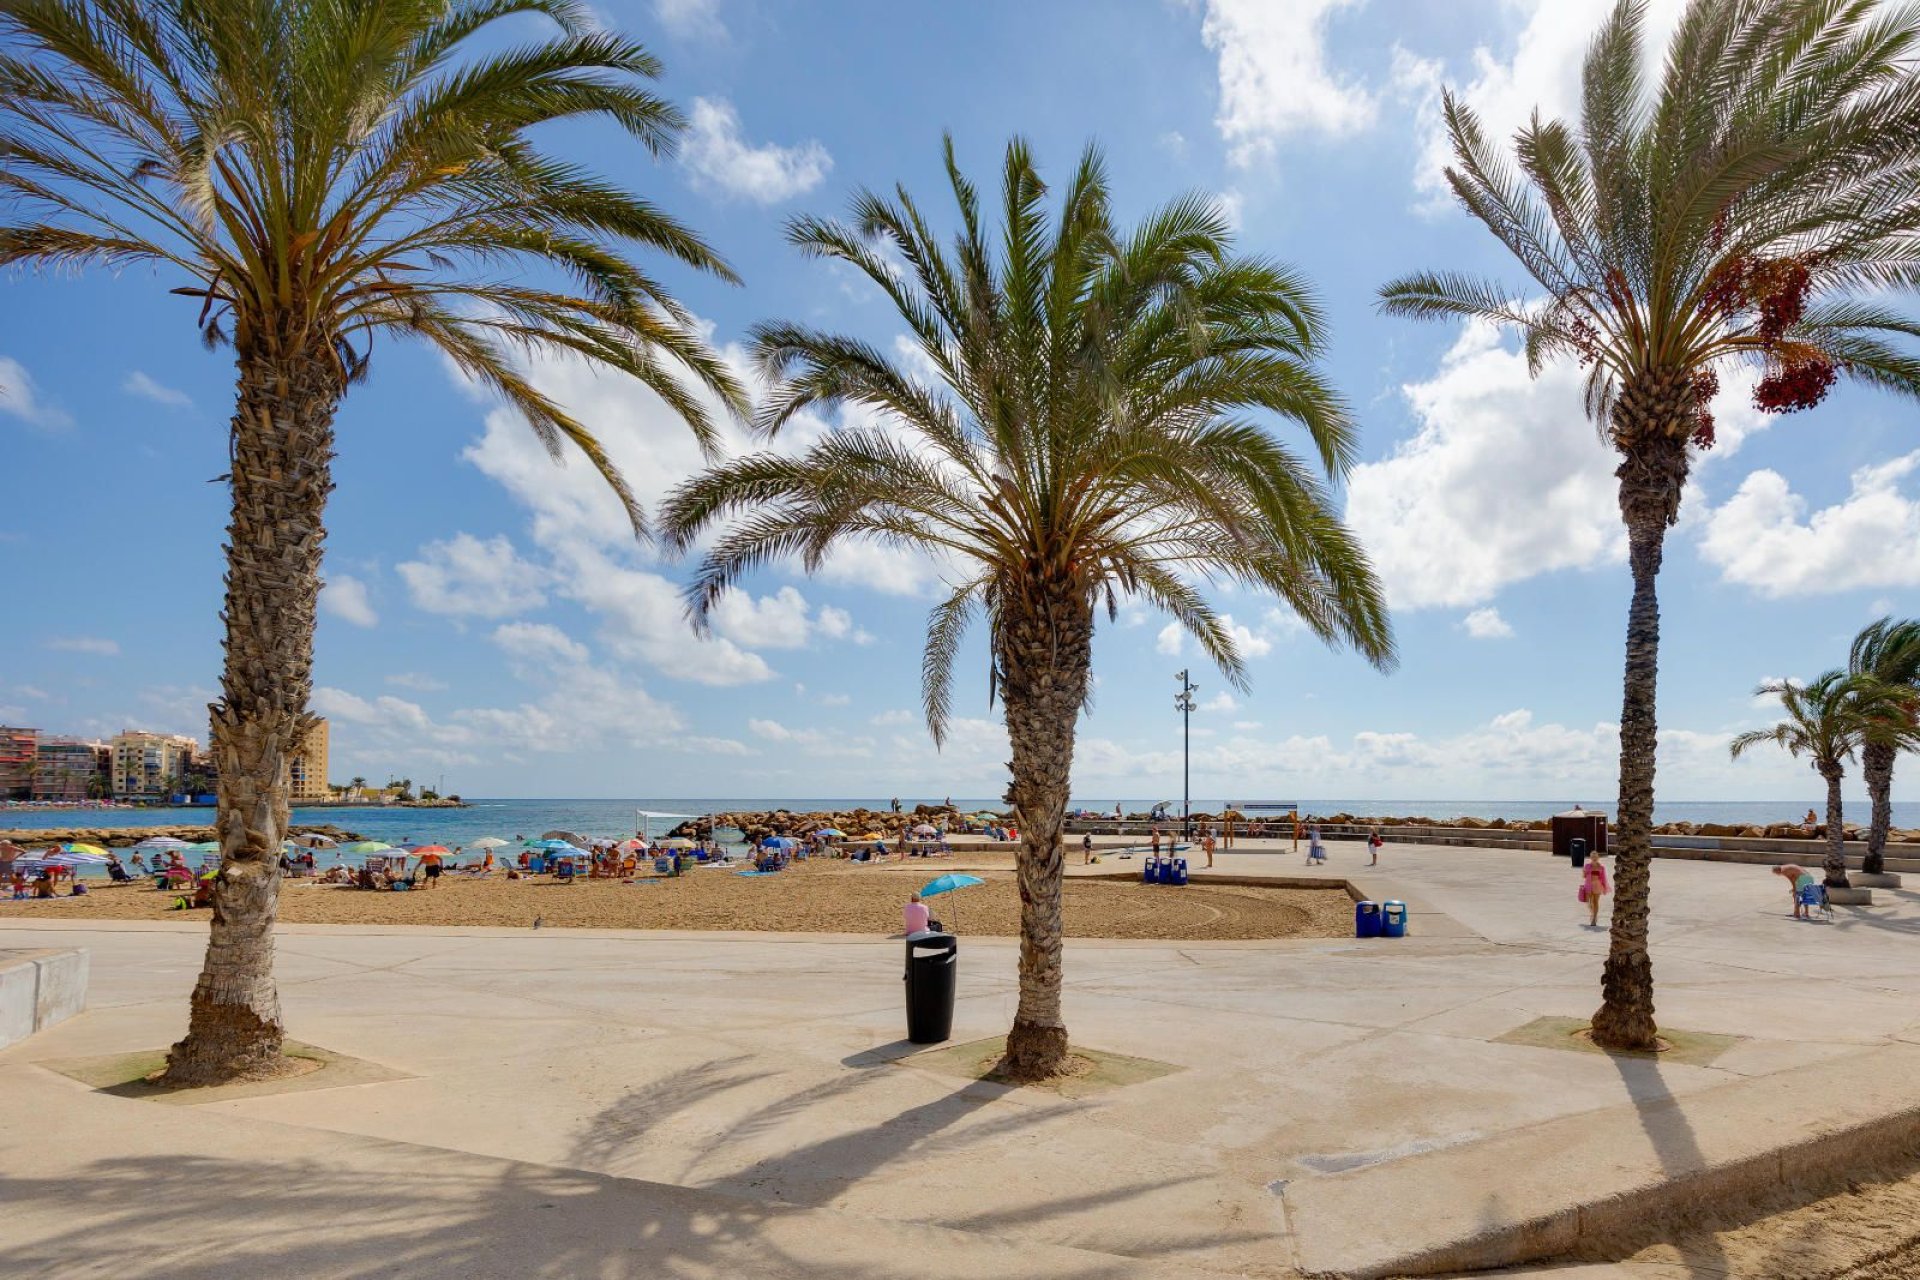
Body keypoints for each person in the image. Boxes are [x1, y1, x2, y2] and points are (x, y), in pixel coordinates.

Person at [1579, 852, 1610, 927]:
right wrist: (1584, 872)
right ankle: (1592, 913)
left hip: (1597, 885)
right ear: (1590, 858)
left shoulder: (1601, 867)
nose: (1594, 858)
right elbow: (1584, 876)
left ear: (1598, 858)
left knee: (1595, 902)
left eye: (1596, 857)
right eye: (1593, 857)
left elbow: (1603, 878)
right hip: (1588, 885)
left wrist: (1604, 887)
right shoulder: (1587, 866)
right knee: (1589, 902)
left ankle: (1594, 918)